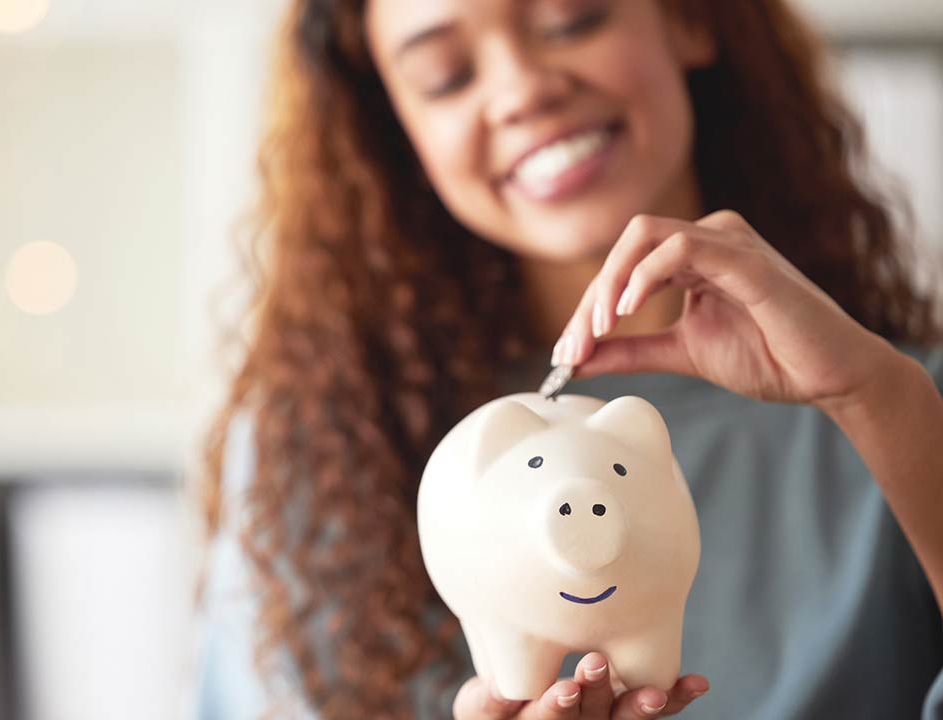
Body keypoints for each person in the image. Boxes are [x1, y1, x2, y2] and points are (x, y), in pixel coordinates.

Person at [191, 0, 943, 718]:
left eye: (570, 18)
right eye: (446, 76)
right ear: (398, 129)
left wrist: (880, 399)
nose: (521, 90)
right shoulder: (320, 453)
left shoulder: (904, 407)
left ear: (686, 17)